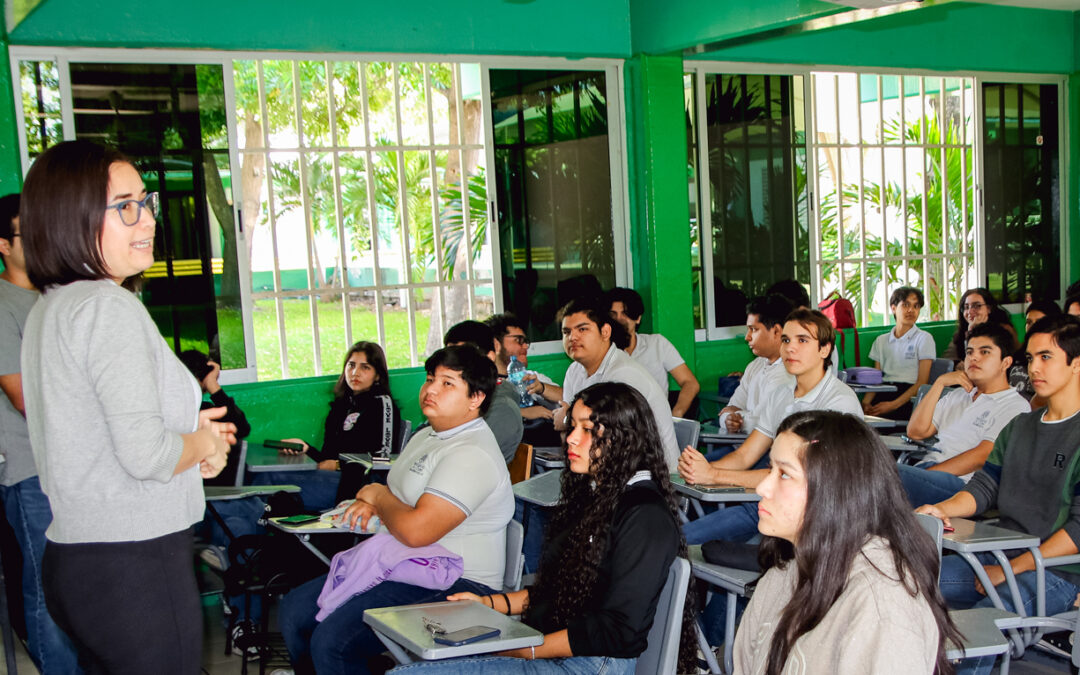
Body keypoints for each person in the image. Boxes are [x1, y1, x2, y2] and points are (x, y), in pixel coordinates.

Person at [19, 140, 234, 673]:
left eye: (146, 201)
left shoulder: (54, 306)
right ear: (74, 218)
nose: (147, 220)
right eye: (125, 207)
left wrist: (193, 440)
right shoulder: (106, 307)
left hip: (80, 558)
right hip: (133, 564)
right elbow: (146, 455)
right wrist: (203, 441)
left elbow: (93, 434)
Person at [388, 382, 696, 674]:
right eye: (573, 426)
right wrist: (489, 604)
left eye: (588, 430)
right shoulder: (597, 493)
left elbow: (618, 630)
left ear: (625, 439)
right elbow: (564, 590)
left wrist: (528, 649)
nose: (572, 438)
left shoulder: (644, 514)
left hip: (589, 664)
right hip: (558, 648)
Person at [279, 345, 515, 675]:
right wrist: (369, 500)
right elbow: (398, 492)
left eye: (448, 383)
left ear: (476, 398)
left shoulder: (472, 453)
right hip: (408, 563)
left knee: (334, 642)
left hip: (458, 582)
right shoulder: (429, 435)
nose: (431, 389)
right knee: (294, 611)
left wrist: (376, 495)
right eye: (430, 378)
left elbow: (417, 531)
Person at [677, 308, 863, 644]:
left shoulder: (838, 403)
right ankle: (699, 644)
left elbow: (802, 478)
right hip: (766, 506)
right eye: (788, 340)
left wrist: (715, 475)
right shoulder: (781, 394)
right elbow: (747, 454)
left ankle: (709, 648)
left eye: (803, 340)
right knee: (680, 541)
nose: (790, 348)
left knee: (734, 569)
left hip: (814, 523)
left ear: (824, 350)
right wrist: (701, 469)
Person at [733, 410, 960, 674]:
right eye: (771, 469)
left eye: (784, 474)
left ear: (835, 489)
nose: (762, 488)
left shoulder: (883, 606)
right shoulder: (782, 576)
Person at [917, 314, 1080, 674]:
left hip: (1056, 573)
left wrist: (1009, 571)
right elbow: (983, 489)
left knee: (975, 629)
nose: (1034, 368)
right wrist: (939, 509)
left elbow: (1079, 531)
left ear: (1077, 362)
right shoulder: (1021, 425)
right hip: (999, 556)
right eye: (1031, 358)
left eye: (1046, 357)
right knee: (907, 582)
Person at [0, 192, 81, 674]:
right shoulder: (4, 305)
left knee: (75, 586)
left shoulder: (57, 297)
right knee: (45, 586)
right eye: (22, 231)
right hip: (30, 470)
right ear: (3, 246)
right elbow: (23, 396)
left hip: (74, 469)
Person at [257, 341, 403, 511]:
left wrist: (339, 465)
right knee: (260, 478)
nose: (355, 373)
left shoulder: (383, 404)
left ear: (377, 375)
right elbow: (327, 458)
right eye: (351, 365)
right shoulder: (342, 406)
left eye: (365, 367)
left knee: (267, 482)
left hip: (357, 487)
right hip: (331, 478)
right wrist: (306, 448)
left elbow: (383, 458)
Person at [897, 323, 1029, 507]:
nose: (974, 357)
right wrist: (940, 383)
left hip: (965, 486)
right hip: (927, 472)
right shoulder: (958, 395)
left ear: (1005, 363)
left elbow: (982, 457)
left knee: (884, 478)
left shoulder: (1014, 405)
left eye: (984, 352)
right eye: (969, 352)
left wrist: (928, 474)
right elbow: (916, 432)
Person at [556, 296, 679, 470]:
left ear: (605, 332)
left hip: (648, 476)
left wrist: (566, 419)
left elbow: (611, 439)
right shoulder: (574, 371)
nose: (572, 337)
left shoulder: (623, 374)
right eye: (566, 332)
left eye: (582, 329)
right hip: (604, 467)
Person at [606, 287, 701, 418]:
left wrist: (676, 413)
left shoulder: (657, 344)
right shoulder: (602, 353)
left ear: (638, 318)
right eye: (613, 314)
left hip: (656, 425)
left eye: (625, 313)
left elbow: (690, 383)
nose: (619, 319)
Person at [444, 320, 524, 462]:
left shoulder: (502, 410)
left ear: (489, 357)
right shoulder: (453, 399)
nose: (453, 365)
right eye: (450, 356)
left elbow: (465, 463)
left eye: (464, 356)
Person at [718, 294, 796, 435]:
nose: (747, 337)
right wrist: (729, 420)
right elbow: (729, 408)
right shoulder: (755, 365)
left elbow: (761, 422)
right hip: (743, 445)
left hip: (768, 452)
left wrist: (738, 418)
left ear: (777, 331)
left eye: (754, 329)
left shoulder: (789, 371)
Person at [485, 312, 563, 448]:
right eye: (518, 340)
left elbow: (567, 398)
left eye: (526, 342)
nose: (526, 347)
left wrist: (542, 388)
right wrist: (522, 413)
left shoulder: (531, 376)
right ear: (496, 344)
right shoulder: (483, 382)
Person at [180, 349, 252, 487]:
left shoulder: (206, 410)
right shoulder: (172, 413)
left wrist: (211, 383)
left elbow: (242, 428)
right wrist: (212, 383)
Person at [862, 286, 935, 420]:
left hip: (909, 398)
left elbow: (922, 382)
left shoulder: (924, 338)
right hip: (883, 392)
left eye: (916, 306)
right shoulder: (881, 341)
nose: (911, 310)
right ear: (893, 308)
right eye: (906, 305)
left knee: (874, 428)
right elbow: (876, 380)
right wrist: (865, 403)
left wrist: (893, 405)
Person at [1008, 299, 1061, 403]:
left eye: (1039, 322)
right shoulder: (1017, 356)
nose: (1033, 326)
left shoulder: (1059, 357)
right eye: (1029, 322)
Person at [943, 288, 1016, 364]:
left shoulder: (1004, 330)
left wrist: (973, 331)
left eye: (977, 306)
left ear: (989, 308)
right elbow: (947, 360)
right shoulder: (961, 334)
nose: (970, 311)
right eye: (966, 307)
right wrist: (957, 365)